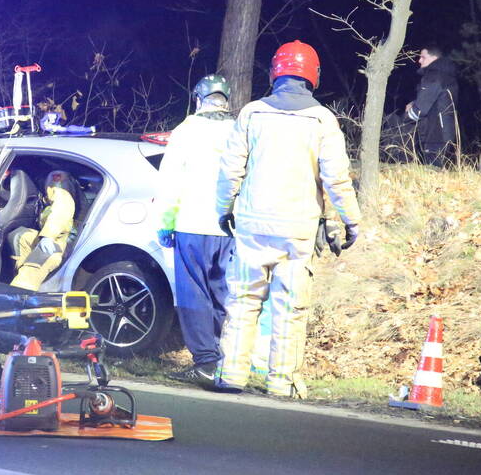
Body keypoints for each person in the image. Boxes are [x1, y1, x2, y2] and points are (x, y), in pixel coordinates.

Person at [216, 41, 362, 398]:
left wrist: (224, 208)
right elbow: (336, 177)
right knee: (289, 307)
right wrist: (350, 220)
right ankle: (281, 381)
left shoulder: (252, 113)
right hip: (296, 229)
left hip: (252, 224)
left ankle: (232, 374)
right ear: (313, 76)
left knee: (243, 301)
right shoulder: (322, 119)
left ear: (275, 72)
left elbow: (230, 167)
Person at [154, 74, 236, 389]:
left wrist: (166, 222)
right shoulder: (238, 130)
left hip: (191, 224)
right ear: (226, 99)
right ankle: (224, 361)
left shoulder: (186, 132)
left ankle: (205, 363)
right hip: (228, 227)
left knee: (194, 296)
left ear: (198, 99)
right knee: (222, 295)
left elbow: (170, 182)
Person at [8, 169, 79, 291]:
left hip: (59, 245)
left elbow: (60, 213)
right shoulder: (49, 201)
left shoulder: (62, 195)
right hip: (55, 240)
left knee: (36, 263)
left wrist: (48, 236)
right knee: (21, 236)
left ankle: (19, 293)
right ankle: (21, 277)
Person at [405, 45, 459, 167]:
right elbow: (434, 100)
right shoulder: (445, 76)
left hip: (436, 135)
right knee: (437, 170)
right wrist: (415, 102)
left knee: (433, 171)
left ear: (434, 58)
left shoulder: (434, 76)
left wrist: (406, 117)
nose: (419, 60)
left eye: (423, 57)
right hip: (443, 132)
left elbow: (421, 109)